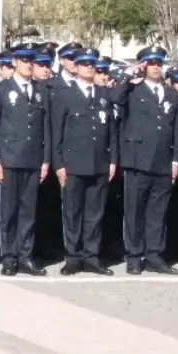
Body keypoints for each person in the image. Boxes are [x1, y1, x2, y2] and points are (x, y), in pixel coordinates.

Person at [111, 46, 178, 275]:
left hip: (162, 160)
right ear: (143, 65)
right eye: (150, 63)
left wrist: (175, 160)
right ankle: (133, 255)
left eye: (159, 63)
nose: (155, 67)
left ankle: (154, 255)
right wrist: (129, 75)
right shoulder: (132, 90)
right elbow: (115, 98)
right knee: (134, 211)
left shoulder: (171, 94)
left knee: (157, 211)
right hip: (137, 160)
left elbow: (175, 130)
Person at [50, 47, 117, 276]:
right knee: (72, 212)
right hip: (73, 163)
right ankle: (73, 256)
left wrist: (113, 159)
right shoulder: (65, 95)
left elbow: (112, 131)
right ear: (75, 67)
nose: (90, 67)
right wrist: (58, 164)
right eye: (85, 64)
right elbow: (56, 132)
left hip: (99, 162)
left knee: (94, 213)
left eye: (92, 64)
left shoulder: (103, 94)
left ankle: (92, 256)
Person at [0, 46, 49, 276]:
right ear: (14, 62)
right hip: (9, 158)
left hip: (33, 158)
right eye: (23, 60)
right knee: (9, 211)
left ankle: (25, 255)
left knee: (28, 211)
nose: (27, 64)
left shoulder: (40, 90)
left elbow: (45, 127)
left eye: (30, 60)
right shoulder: (2, 89)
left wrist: (45, 160)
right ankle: (9, 257)